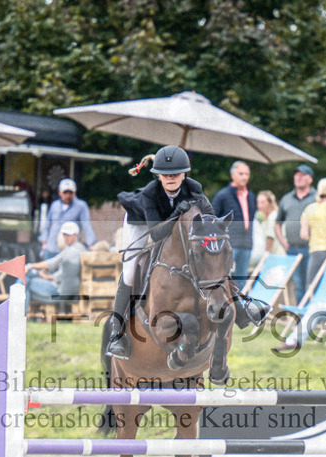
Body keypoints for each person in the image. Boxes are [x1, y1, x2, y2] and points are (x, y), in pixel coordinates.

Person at [104, 145, 266, 360]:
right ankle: (117, 333)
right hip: (142, 224)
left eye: (176, 174)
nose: (170, 178)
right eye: (166, 175)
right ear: (158, 176)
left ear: (184, 174)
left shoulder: (194, 188)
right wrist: (176, 214)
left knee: (211, 258)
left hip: (172, 227)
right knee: (130, 271)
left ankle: (241, 305)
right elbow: (158, 235)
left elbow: (210, 223)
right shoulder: (150, 195)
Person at [274, 165, 316, 303]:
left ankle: (314, 314)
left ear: (310, 179)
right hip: (292, 248)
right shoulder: (287, 198)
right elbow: (277, 223)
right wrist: (283, 243)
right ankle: (301, 317)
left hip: (312, 248)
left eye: (302, 175)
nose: (298, 177)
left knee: (312, 282)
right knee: (298, 284)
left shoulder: (317, 197)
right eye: (296, 174)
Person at [26, 221, 88, 311]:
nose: (66, 237)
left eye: (69, 235)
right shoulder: (81, 249)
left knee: (26, 281)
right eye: (64, 235)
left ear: (76, 235)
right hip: (69, 287)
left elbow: (54, 266)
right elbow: (57, 267)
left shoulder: (71, 251)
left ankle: (22, 312)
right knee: (29, 278)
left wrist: (32, 267)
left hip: (59, 289)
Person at [211, 161, 256, 284]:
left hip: (246, 243)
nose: (244, 177)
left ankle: (239, 303)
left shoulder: (250, 196)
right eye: (241, 174)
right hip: (228, 244)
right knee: (223, 277)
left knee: (241, 280)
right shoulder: (223, 195)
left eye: (246, 174)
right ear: (233, 175)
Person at [40, 178, 94, 260]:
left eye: (70, 193)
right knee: (47, 271)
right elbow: (47, 224)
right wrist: (44, 241)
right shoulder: (55, 205)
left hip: (69, 250)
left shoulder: (81, 206)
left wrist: (91, 244)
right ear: (59, 192)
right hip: (51, 248)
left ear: (74, 192)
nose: (68, 195)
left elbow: (87, 226)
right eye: (65, 192)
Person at [254, 190, 283, 257]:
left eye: (263, 202)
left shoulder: (273, 216)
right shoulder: (265, 218)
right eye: (258, 202)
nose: (259, 205)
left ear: (270, 203)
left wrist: (265, 255)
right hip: (271, 255)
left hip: (277, 255)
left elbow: (270, 238)